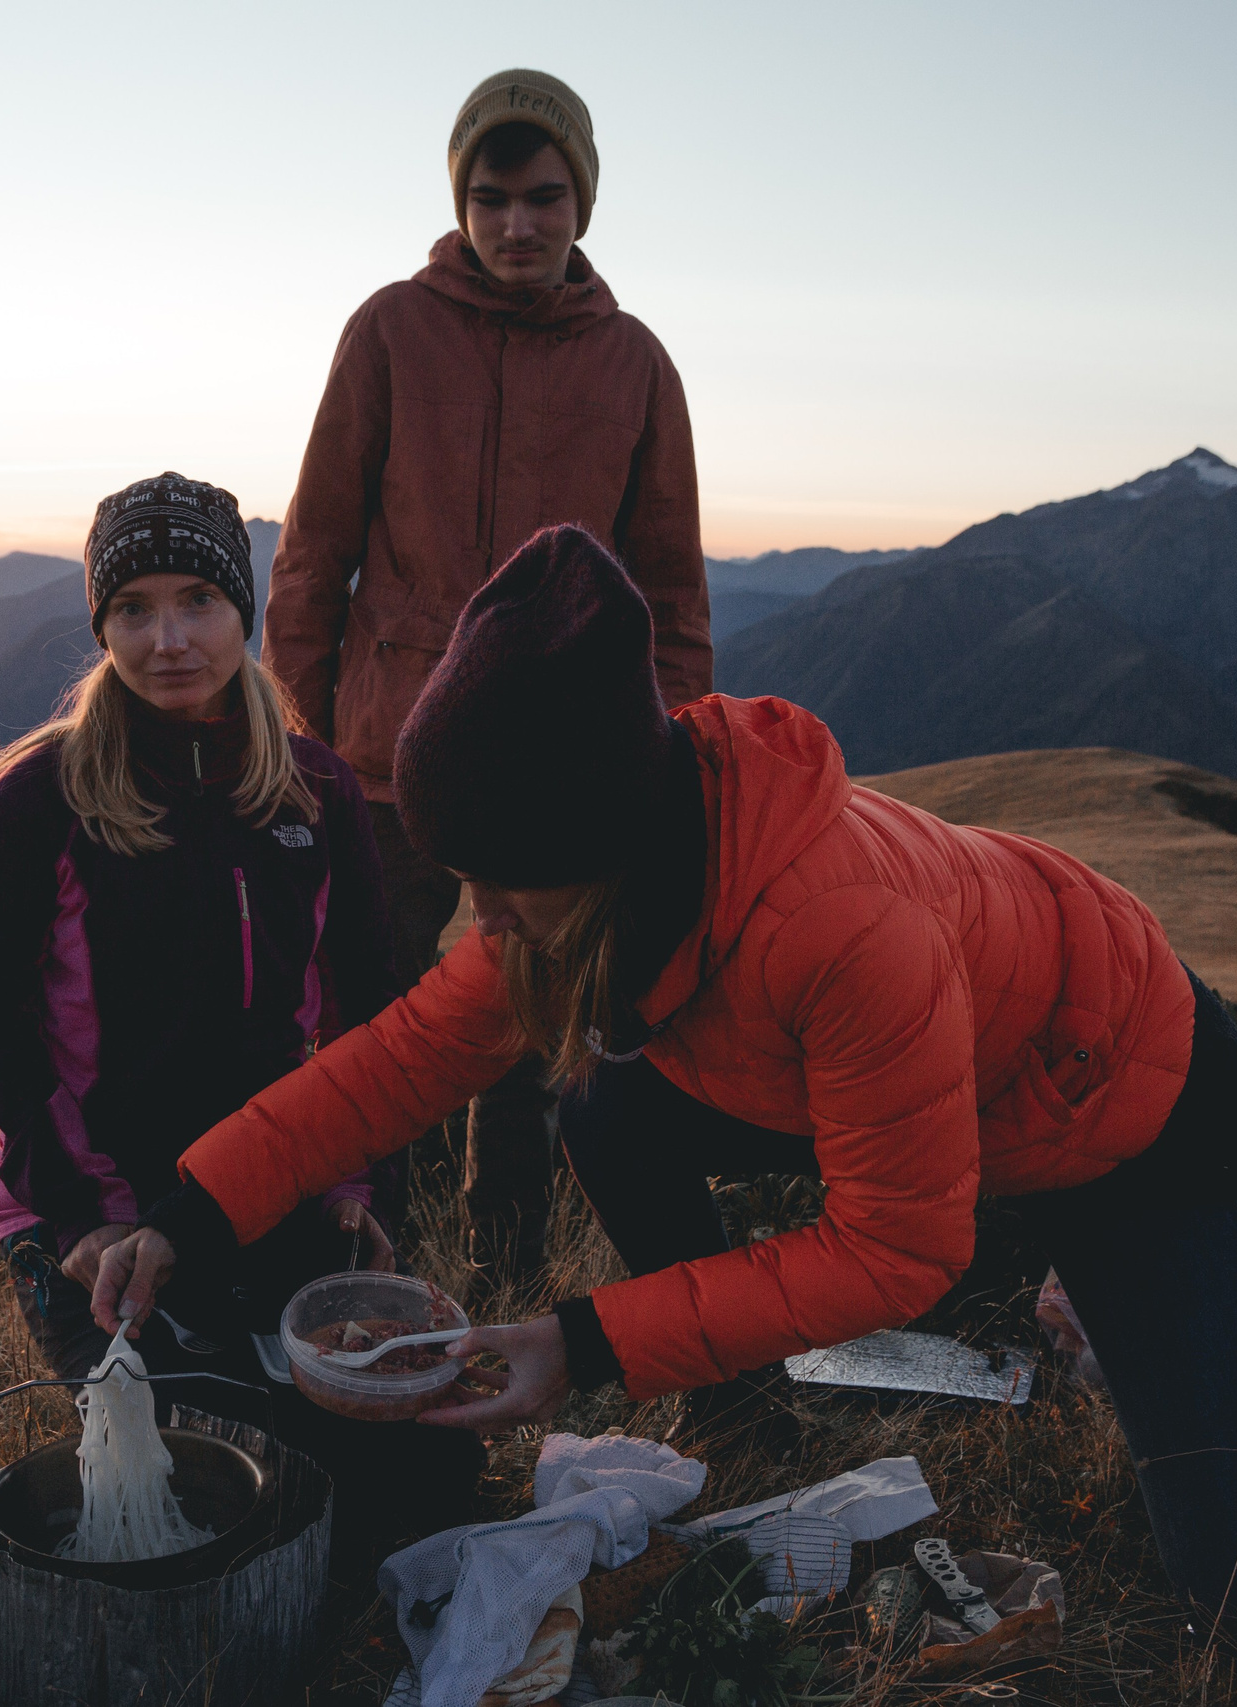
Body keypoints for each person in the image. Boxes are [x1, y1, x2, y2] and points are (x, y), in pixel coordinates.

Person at [90, 523, 1237, 1648]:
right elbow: (406, 1053)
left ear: (602, 854)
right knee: (610, 1100)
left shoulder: (834, 924)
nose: (490, 920)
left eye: (509, 887)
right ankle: (756, 1406)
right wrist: (188, 1212)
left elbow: (901, 1246)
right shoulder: (586, 879)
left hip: (1126, 1113)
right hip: (932, 1090)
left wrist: (582, 1340)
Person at [0, 471, 484, 1553]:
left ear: (247, 612)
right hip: (88, 1206)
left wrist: (354, 1186)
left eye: (199, 601)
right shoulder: (36, 799)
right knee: (209, 1487)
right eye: (132, 609)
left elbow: (367, 1010)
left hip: (276, 1188)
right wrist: (87, 1216)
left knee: (414, 1480)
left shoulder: (316, 792)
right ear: (99, 624)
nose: (167, 638)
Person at [264, 68, 714, 1277]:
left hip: (560, 770)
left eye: (545, 197)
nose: (518, 223)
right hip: (380, 758)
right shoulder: (388, 332)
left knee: (532, 1028)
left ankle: (505, 1267)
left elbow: (669, 587)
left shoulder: (636, 364)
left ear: (583, 204)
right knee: (365, 1018)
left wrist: (670, 752)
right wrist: (291, 743)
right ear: (459, 202)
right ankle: (366, 1253)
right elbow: (312, 557)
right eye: (491, 196)